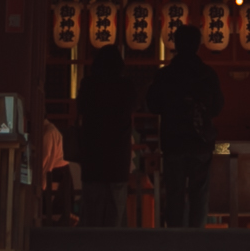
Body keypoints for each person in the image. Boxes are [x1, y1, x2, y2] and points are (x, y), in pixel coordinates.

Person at [150, 24, 224, 229]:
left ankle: (175, 234)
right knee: (199, 192)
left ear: (176, 44)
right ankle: (196, 234)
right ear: (198, 45)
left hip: (174, 140)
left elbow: (152, 104)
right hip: (200, 141)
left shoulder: (166, 75)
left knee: (175, 190)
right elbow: (217, 107)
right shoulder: (207, 74)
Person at [75, 40, 138, 227]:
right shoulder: (126, 86)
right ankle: (113, 245)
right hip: (117, 154)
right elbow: (134, 106)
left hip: (93, 153)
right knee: (115, 207)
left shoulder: (88, 84)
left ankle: (92, 245)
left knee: (93, 207)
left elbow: (80, 109)